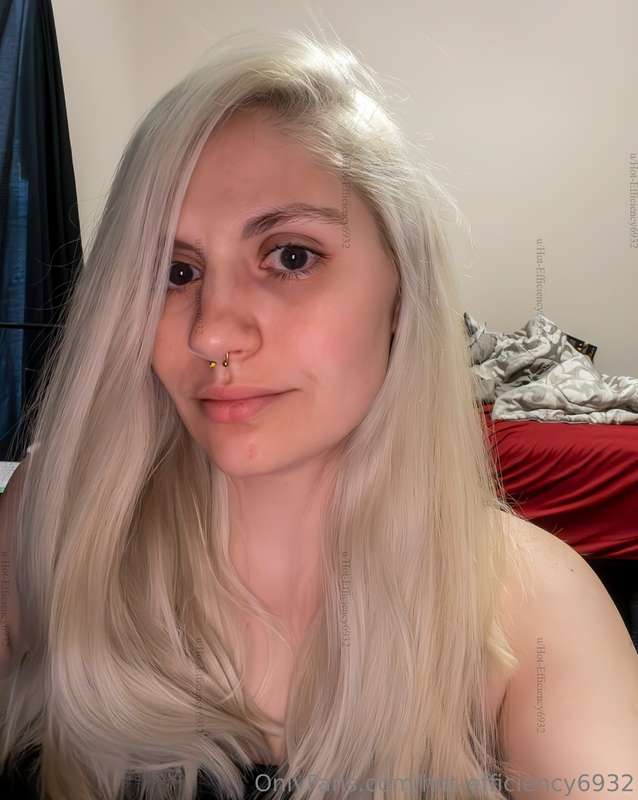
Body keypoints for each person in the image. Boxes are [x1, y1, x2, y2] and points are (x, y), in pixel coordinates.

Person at [1, 27, 636, 800]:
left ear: (402, 293)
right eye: (175, 271)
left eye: (291, 256)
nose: (211, 334)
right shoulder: (56, 516)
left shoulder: (531, 601)